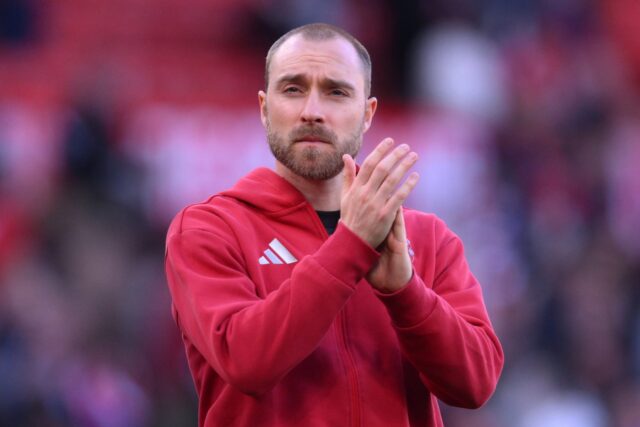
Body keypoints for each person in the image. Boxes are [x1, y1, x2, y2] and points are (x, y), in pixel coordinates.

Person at [164, 22, 503, 427]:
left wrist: (405, 291)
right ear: (264, 108)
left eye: (336, 92)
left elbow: (476, 384)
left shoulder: (427, 239)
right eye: (293, 89)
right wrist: (351, 246)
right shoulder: (208, 230)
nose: (312, 111)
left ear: (367, 114)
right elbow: (246, 361)